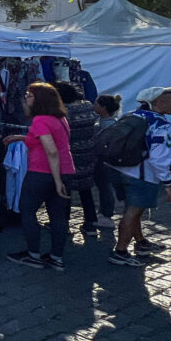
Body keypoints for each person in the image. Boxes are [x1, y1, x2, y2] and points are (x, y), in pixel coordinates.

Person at [3, 83, 75, 270]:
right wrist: (21, 138)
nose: (25, 99)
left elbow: (51, 151)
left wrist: (57, 180)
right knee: (58, 216)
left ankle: (33, 254)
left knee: (27, 210)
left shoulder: (40, 120)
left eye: (29, 95)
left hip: (43, 173)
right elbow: (51, 143)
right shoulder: (60, 119)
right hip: (65, 170)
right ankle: (56, 257)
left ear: (39, 99)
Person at [107, 87, 171, 267]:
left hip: (118, 169)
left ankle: (141, 242)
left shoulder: (130, 115)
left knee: (131, 209)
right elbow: (159, 157)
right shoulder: (161, 125)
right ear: (158, 103)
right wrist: (168, 183)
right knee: (133, 211)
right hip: (142, 175)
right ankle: (121, 251)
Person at [55, 82, 105, 237]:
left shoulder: (63, 112)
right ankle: (90, 224)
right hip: (89, 153)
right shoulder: (88, 106)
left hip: (70, 154)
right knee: (85, 189)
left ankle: (64, 223)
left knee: (66, 189)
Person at [92, 94, 125, 226]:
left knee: (104, 186)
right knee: (103, 186)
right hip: (103, 159)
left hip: (103, 160)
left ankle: (106, 214)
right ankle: (104, 211)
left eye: (97, 104)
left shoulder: (107, 125)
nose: (94, 106)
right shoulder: (107, 122)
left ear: (103, 107)